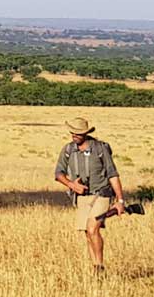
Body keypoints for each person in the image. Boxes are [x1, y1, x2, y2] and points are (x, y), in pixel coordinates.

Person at [53, 116, 127, 271]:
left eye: (78, 133)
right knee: (87, 232)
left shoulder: (99, 149)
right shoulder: (68, 149)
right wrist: (71, 185)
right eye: (73, 132)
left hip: (102, 193)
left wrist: (120, 200)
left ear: (86, 133)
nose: (74, 136)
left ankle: (100, 266)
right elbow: (58, 173)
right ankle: (95, 267)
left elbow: (112, 174)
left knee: (93, 228)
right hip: (81, 197)